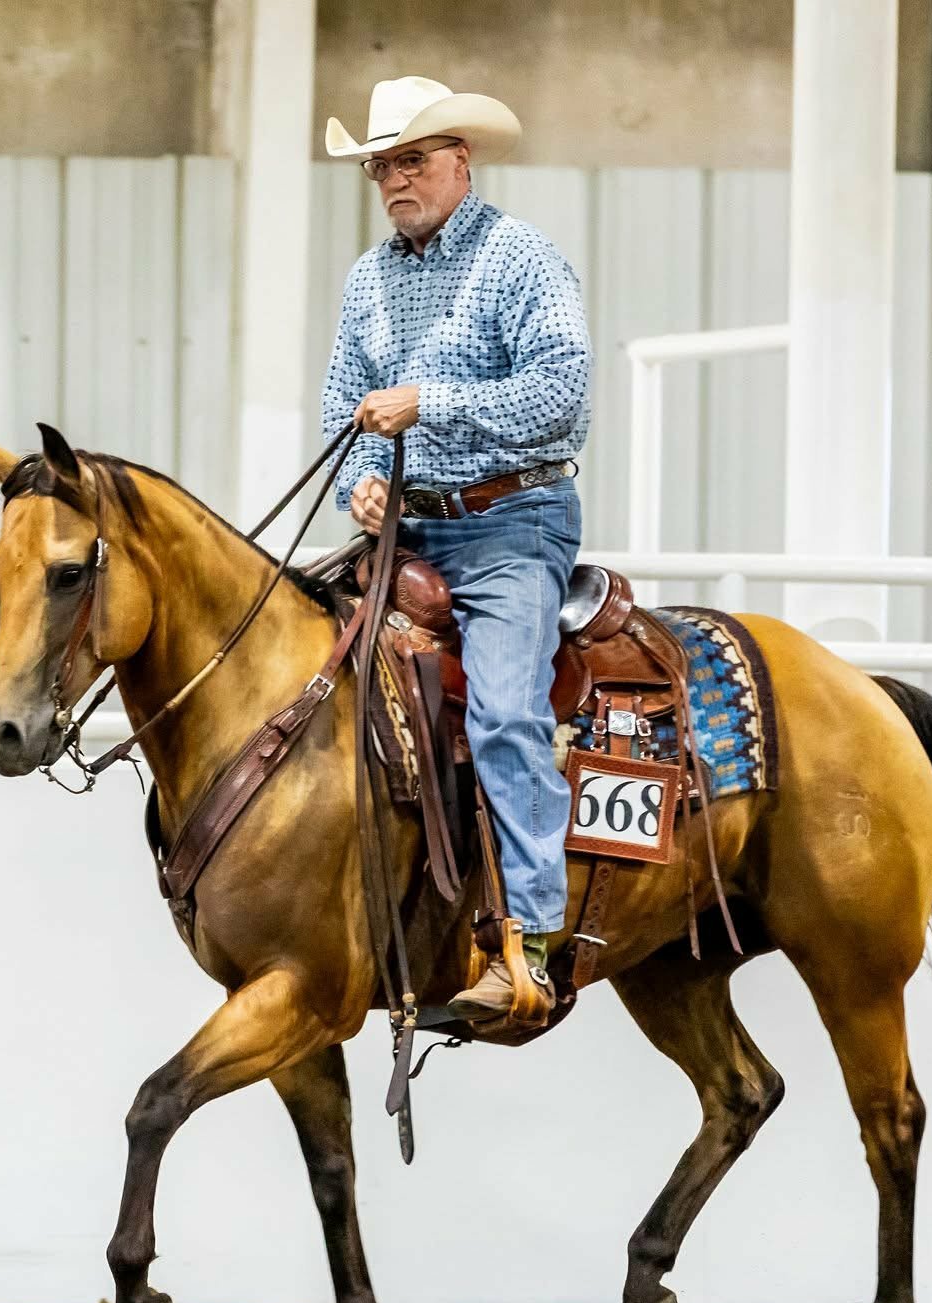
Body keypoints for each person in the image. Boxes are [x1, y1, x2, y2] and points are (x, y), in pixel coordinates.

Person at [321, 76, 592, 1024]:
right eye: (381, 166)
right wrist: (363, 470)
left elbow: (561, 391)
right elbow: (344, 404)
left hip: (512, 525)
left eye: (412, 160)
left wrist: (433, 401)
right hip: (407, 529)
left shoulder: (521, 260)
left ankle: (534, 940)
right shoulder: (368, 279)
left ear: (459, 161)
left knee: (506, 710)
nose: (395, 179)